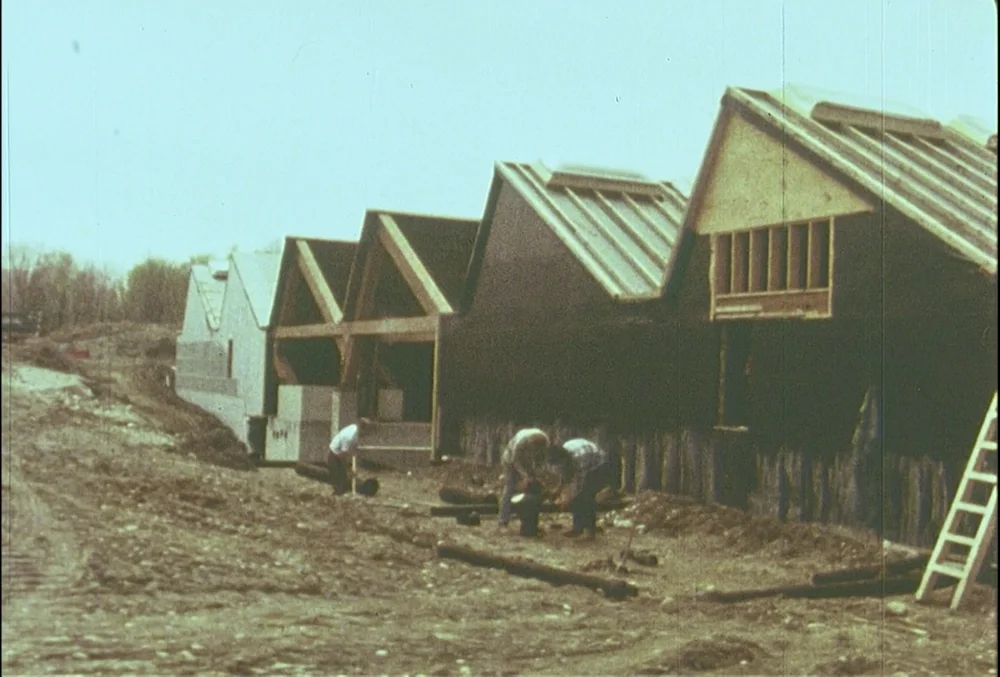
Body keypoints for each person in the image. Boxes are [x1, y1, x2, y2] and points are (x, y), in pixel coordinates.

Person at [546, 438, 614, 539]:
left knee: (585, 497)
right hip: (585, 464)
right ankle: (577, 529)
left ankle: (590, 531)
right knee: (578, 498)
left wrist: (568, 499)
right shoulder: (564, 456)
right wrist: (557, 490)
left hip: (600, 466)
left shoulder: (580, 459)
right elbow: (565, 476)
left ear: (564, 459)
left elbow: (580, 485)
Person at [497, 427, 551, 527]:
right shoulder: (520, 443)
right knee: (510, 486)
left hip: (528, 461)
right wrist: (525, 476)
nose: (536, 451)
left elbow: (543, 460)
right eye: (534, 450)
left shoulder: (545, 442)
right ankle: (503, 519)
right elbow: (515, 461)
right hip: (510, 460)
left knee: (533, 487)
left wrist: (539, 474)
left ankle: (529, 519)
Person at [327, 417, 373, 495]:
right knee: (339, 479)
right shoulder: (349, 436)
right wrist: (348, 469)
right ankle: (337, 495)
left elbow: (351, 448)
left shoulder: (355, 429)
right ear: (363, 429)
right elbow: (342, 455)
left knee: (344, 478)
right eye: (367, 431)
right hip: (335, 454)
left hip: (341, 453)